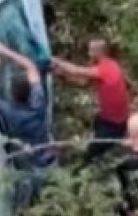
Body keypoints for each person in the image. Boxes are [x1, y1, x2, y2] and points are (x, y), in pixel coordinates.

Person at [0, 40, 56, 211]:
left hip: (32, 165)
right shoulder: (38, 101)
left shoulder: (14, 113)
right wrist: (5, 51)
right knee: (50, 197)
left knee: (27, 197)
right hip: (50, 159)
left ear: (13, 96)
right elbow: (30, 66)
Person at [51, 38, 130, 166]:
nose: (88, 53)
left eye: (90, 51)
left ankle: (87, 170)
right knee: (98, 127)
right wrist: (61, 75)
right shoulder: (107, 66)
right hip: (106, 118)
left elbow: (76, 70)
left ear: (99, 52)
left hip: (115, 124)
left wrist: (54, 59)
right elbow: (83, 83)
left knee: (91, 154)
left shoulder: (106, 69)